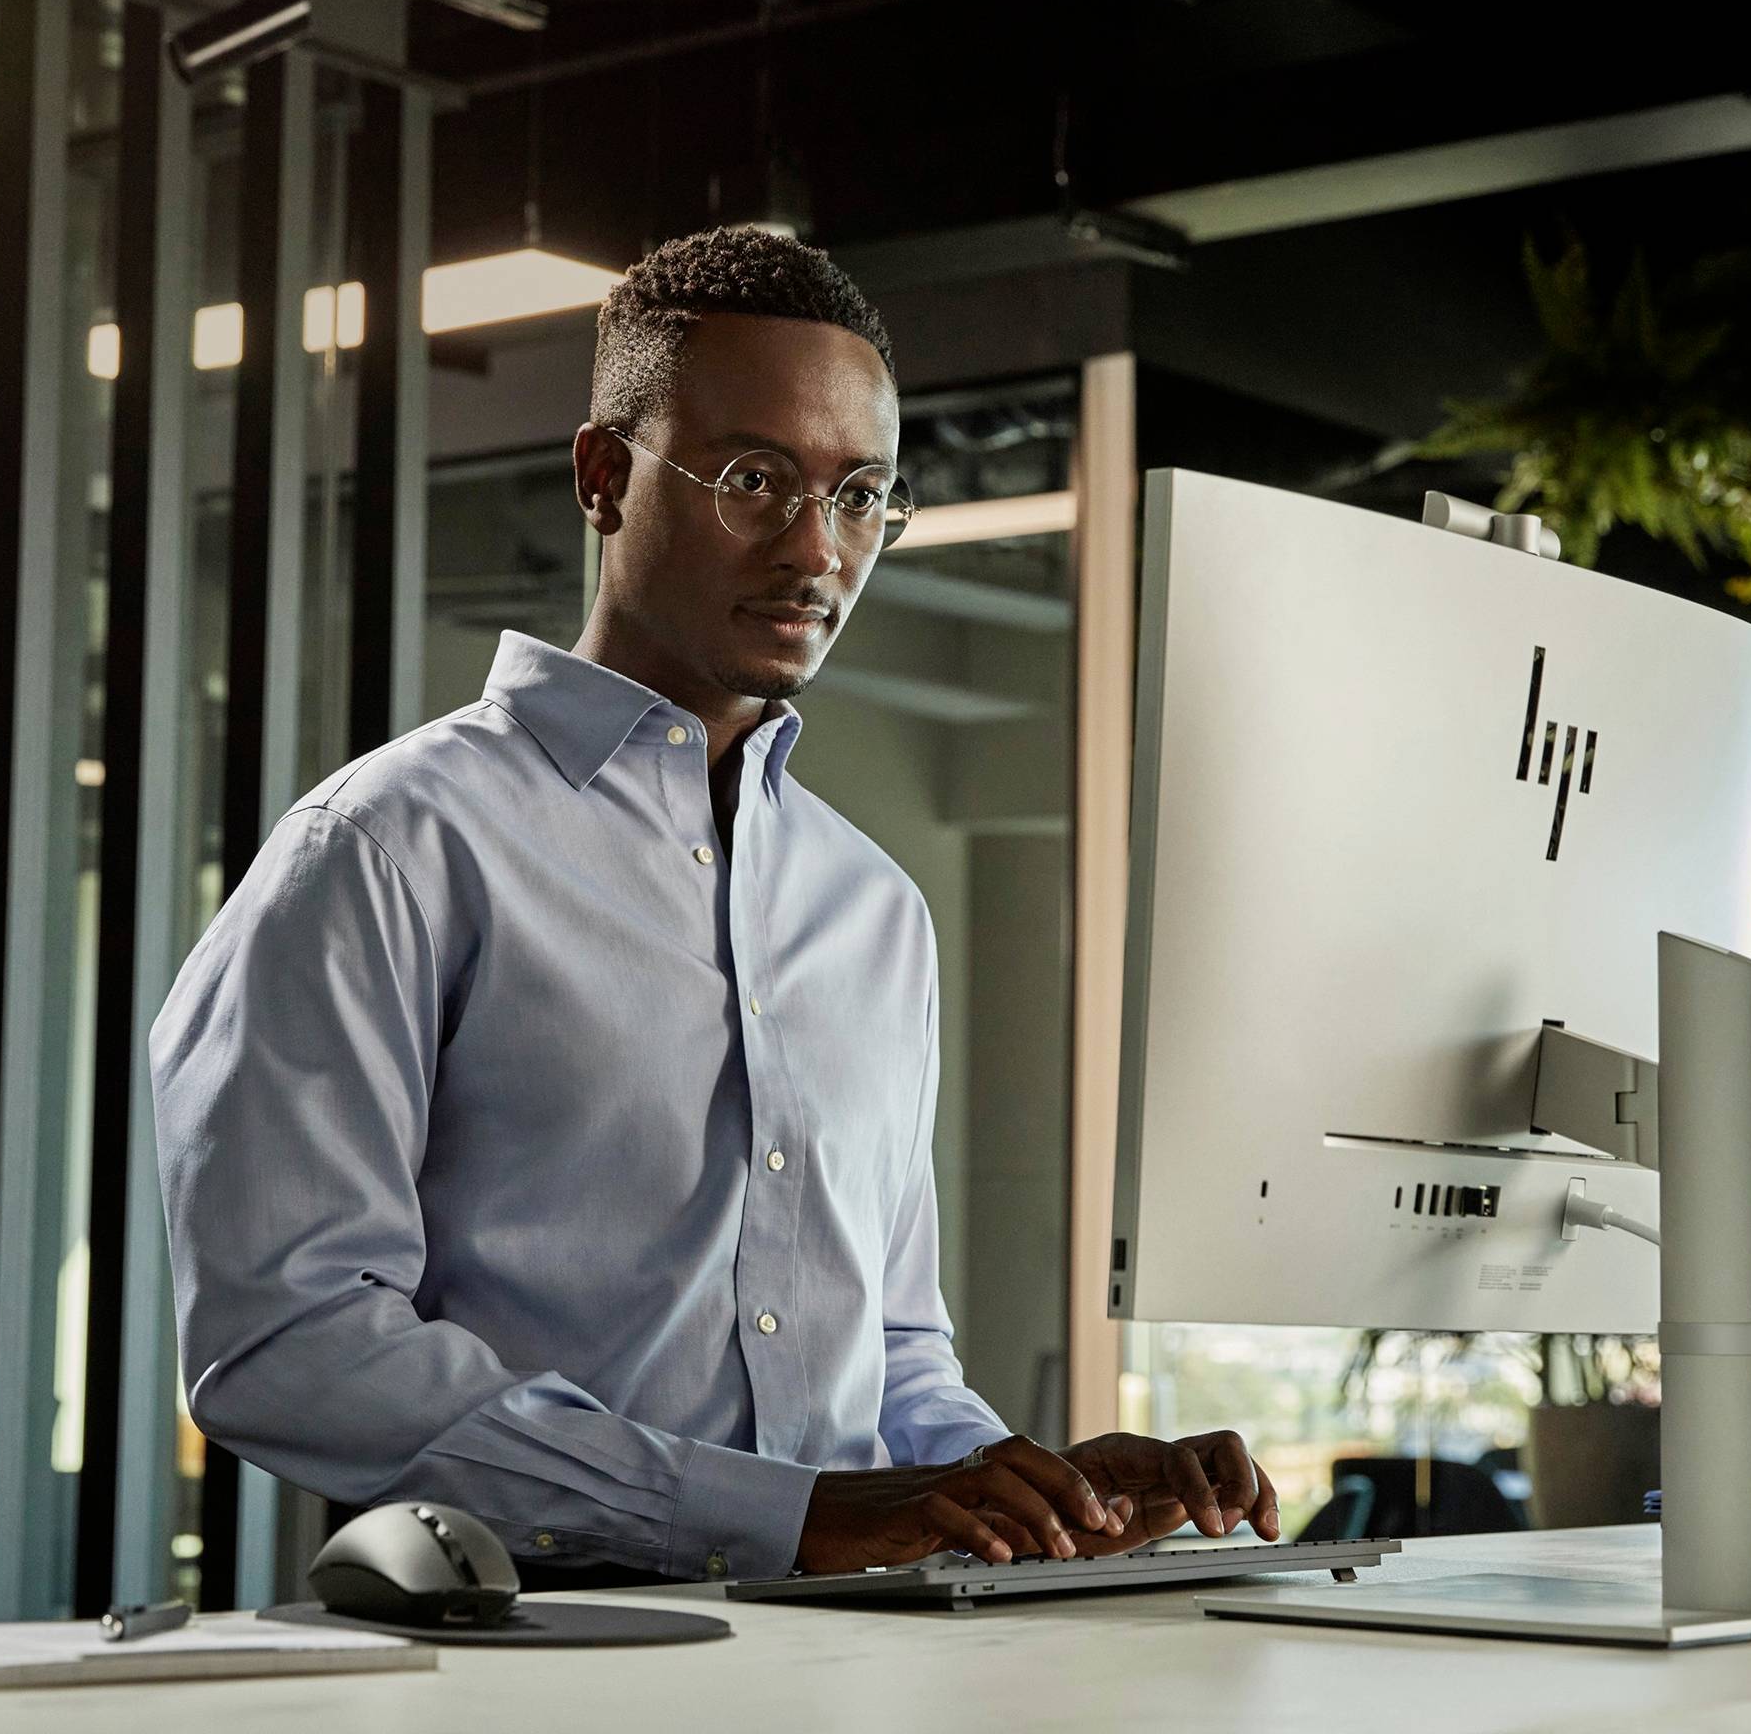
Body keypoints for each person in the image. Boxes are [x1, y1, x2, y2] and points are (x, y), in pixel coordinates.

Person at [150, 226, 1277, 1585]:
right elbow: (290, 1344)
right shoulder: (390, 849)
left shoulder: (876, 912)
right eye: (756, 479)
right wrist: (774, 1515)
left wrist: (1029, 1505)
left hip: (859, 1676)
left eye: (862, 494)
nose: (818, 550)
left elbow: (895, 1354)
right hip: (526, 1678)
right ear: (602, 476)